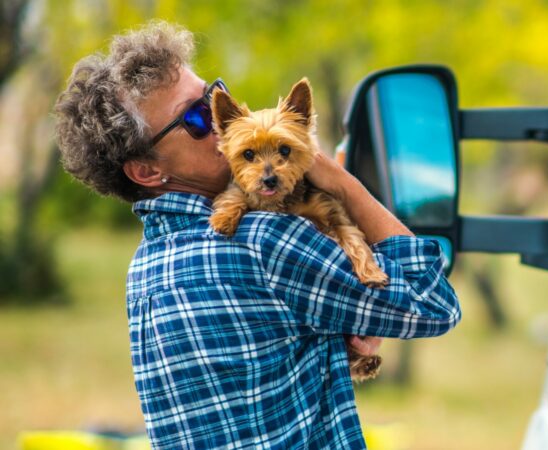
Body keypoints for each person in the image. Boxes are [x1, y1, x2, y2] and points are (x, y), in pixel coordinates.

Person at [53, 21, 461, 449]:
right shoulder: (264, 240)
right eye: (196, 117)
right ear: (148, 171)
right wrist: (340, 181)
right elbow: (434, 304)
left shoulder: (145, 270)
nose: (220, 121)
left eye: (215, 97)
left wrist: (335, 328)